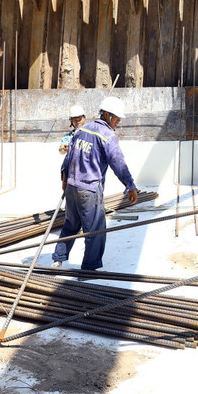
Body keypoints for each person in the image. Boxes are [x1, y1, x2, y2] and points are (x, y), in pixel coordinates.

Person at [53, 96, 138, 270]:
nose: (118, 121)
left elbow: (68, 159)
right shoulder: (108, 136)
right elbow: (118, 164)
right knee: (95, 231)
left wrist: (64, 180)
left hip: (72, 187)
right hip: (89, 190)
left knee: (70, 225)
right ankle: (89, 269)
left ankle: (58, 260)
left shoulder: (81, 131)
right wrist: (130, 185)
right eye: (116, 118)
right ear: (106, 115)